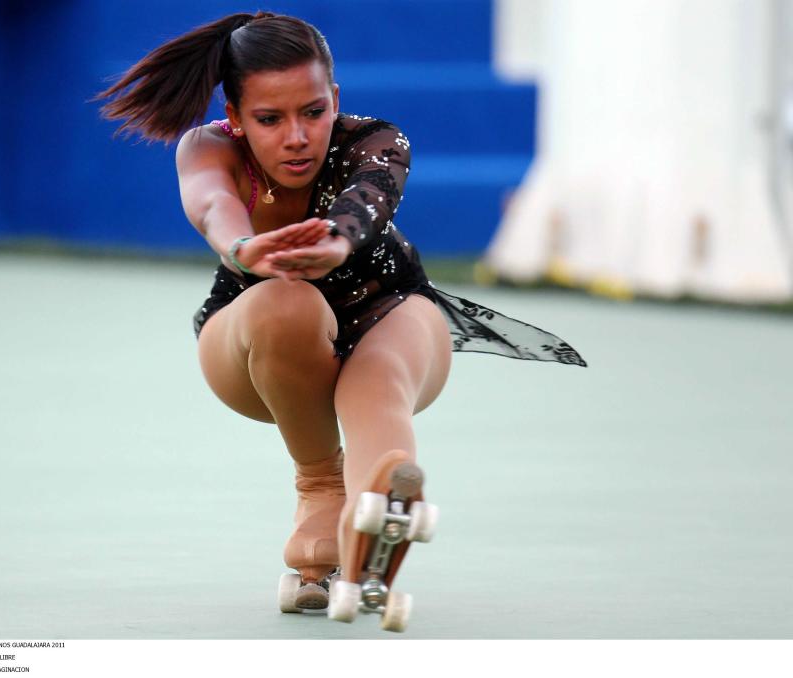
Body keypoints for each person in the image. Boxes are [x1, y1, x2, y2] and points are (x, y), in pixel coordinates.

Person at [96, 11, 586, 624]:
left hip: (386, 312)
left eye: (313, 111)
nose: (297, 137)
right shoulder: (207, 147)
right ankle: (321, 488)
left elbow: (366, 202)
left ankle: (377, 511)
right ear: (236, 117)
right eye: (270, 120)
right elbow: (211, 201)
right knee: (285, 300)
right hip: (258, 348)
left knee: (380, 367)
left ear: (336, 99)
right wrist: (242, 248)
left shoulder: (380, 140)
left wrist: (335, 240)